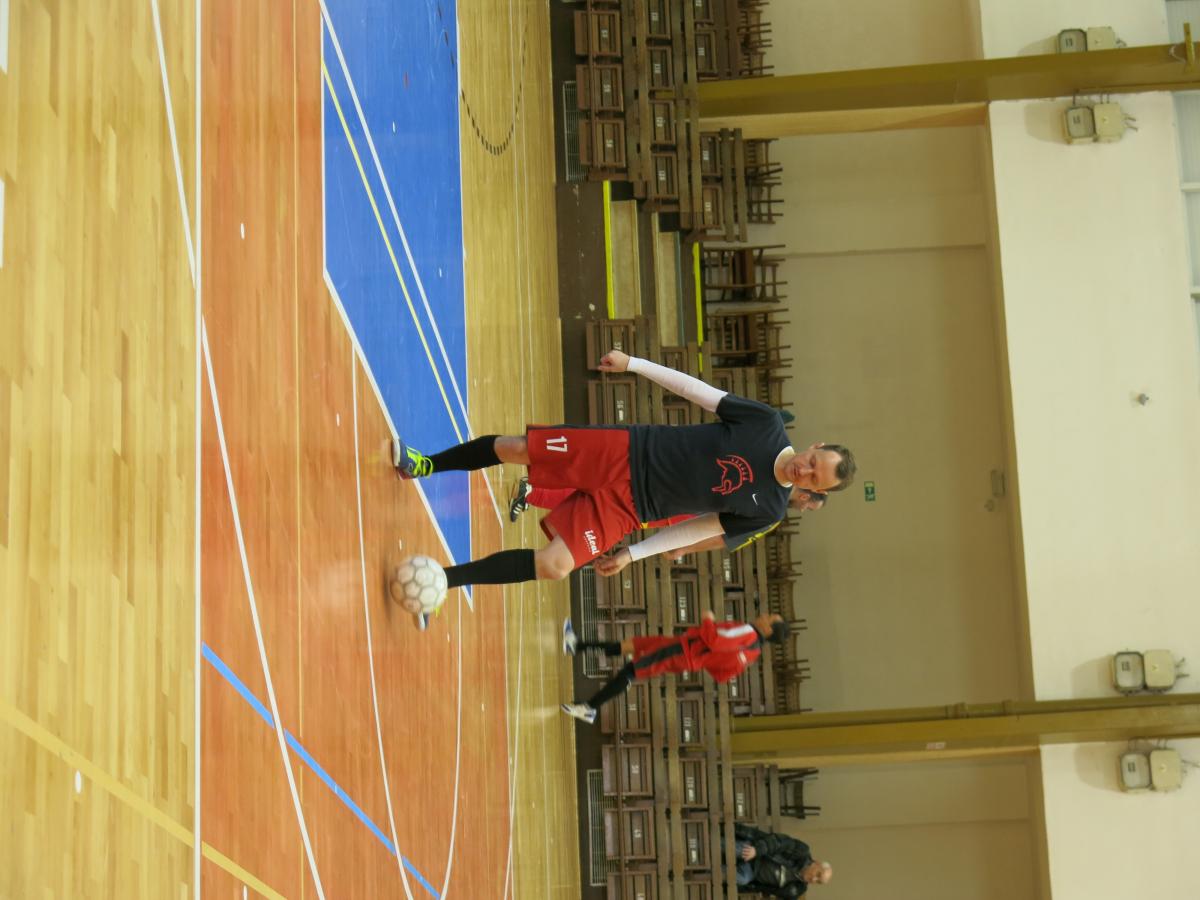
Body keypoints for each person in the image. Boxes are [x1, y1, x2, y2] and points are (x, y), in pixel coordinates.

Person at [392, 349, 855, 594]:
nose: (805, 471)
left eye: (815, 479)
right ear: (814, 447)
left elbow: (699, 529)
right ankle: (426, 464)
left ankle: (444, 580)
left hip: (631, 509)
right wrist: (634, 364)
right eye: (814, 462)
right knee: (515, 449)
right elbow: (698, 391)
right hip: (625, 451)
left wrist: (634, 554)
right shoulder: (765, 425)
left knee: (555, 566)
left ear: (817, 490)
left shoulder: (769, 509)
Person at [559, 610, 789, 724]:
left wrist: (708, 619)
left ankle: (589, 708)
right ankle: (576, 645)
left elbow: (715, 640)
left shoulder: (749, 632)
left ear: (768, 630)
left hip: (684, 651)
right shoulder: (752, 654)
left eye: (769, 617)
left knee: (632, 670)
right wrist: (703, 660)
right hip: (687, 654)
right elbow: (722, 675)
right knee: (633, 645)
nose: (764, 615)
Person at [732, 823, 833, 897]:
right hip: (757, 851)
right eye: (818, 874)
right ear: (816, 863)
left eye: (818, 882)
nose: (814, 879)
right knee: (740, 850)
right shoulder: (802, 851)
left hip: (752, 872)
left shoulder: (797, 889)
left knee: (742, 879)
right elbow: (778, 842)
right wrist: (757, 850)